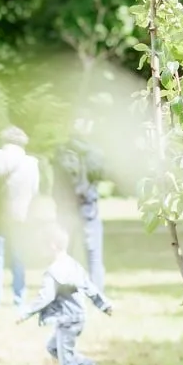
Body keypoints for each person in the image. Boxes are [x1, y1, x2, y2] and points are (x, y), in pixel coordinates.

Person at [18, 225, 114, 365]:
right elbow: (89, 286)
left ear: (52, 245)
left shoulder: (53, 272)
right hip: (79, 317)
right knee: (52, 347)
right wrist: (104, 304)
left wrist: (25, 313)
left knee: (66, 361)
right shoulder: (73, 265)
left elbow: (45, 297)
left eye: (42, 246)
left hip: (66, 320)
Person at [0, 126, 40, 308]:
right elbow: (35, 190)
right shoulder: (31, 162)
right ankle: (19, 298)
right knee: (19, 258)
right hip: (21, 216)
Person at [52, 124, 106, 292]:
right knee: (93, 254)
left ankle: (65, 291)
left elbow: (56, 182)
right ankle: (97, 292)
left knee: (64, 252)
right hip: (88, 206)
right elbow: (100, 175)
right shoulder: (94, 153)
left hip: (65, 207)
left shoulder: (60, 152)